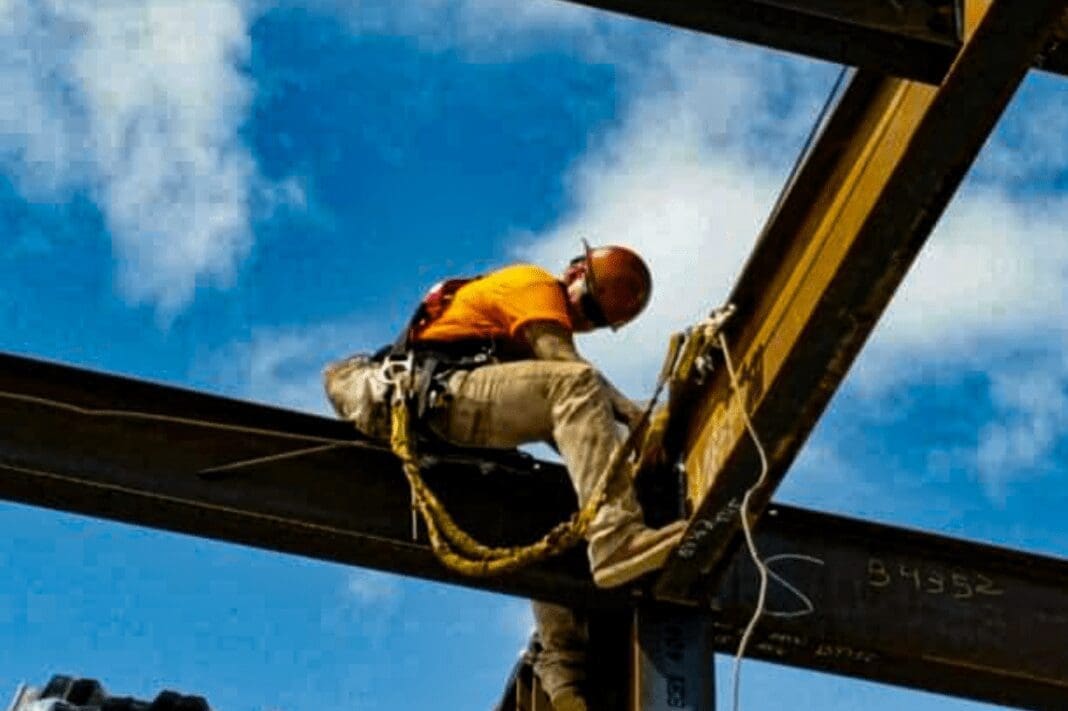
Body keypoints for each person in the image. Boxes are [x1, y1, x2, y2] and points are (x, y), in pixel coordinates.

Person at [325, 242, 685, 710]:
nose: (585, 320)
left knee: (553, 504)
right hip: (437, 395)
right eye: (588, 304)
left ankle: (565, 677)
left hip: (448, 415)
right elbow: (569, 370)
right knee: (577, 386)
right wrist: (639, 420)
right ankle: (616, 538)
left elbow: (584, 438)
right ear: (575, 273)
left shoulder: (520, 354)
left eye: (597, 319)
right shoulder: (535, 286)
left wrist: (631, 467)